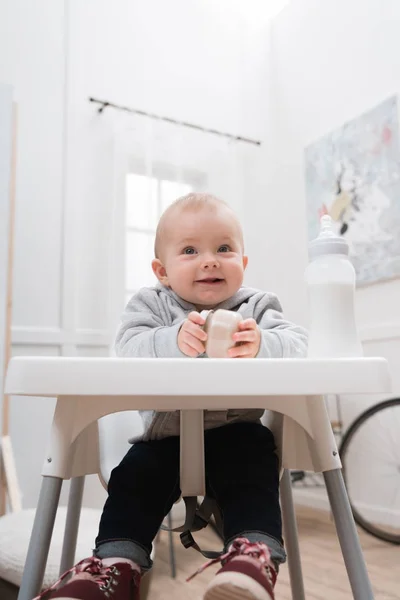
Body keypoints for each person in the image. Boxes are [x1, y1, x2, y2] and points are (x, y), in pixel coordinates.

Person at [36, 193, 308, 600]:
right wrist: (171, 340)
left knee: (254, 460)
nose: (210, 259)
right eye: (190, 250)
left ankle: (251, 561)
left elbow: (297, 344)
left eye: (224, 248)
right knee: (133, 479)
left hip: (236, 430)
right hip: (167, 436)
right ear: (162, 271)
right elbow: (128, 347)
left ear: (243, 263)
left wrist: (262, 343)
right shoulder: (151, 304)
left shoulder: (257, 305)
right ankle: (115, 567)